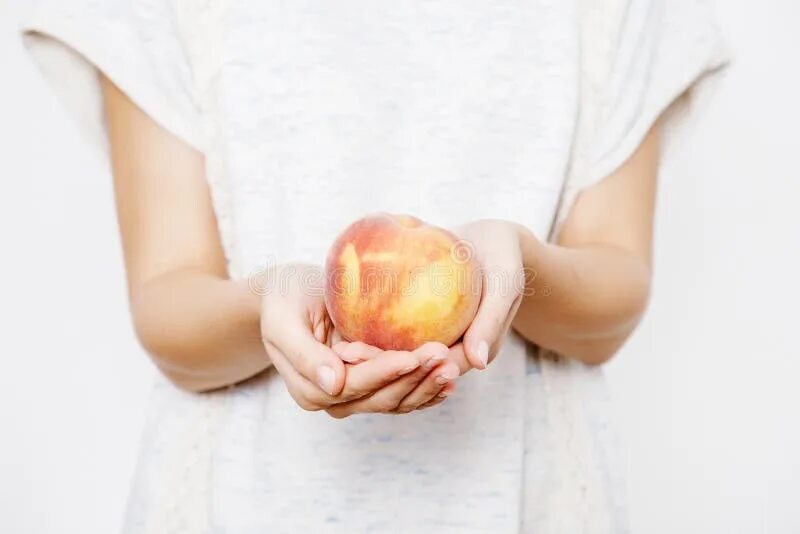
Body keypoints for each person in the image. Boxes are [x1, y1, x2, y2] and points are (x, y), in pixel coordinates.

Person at [20, 0, 728, 532]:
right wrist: (271, 302)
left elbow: (611, 307)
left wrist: (522, 268)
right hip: (232, 505)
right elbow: (167, 305)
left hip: (532, 503)